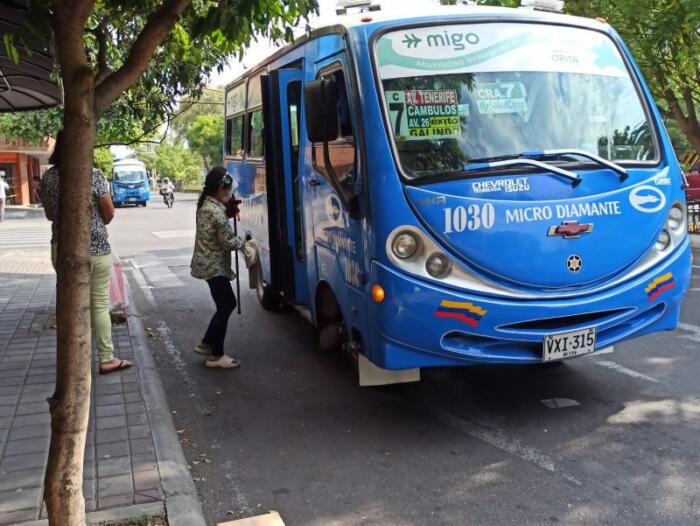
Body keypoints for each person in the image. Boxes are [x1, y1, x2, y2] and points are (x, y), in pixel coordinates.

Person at [40, 131, 132, 374]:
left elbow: (50, 214)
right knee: (99, 305)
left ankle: (72, 359)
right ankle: (106, 357)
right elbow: (109, 212)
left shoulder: (48, 178)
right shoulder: (93, 175)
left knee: (69, 304)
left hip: (61, 247)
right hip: (96, 248)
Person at [191, 167, 246, 369]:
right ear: (220, 188)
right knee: (227, 305)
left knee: (224, 304)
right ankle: (216, 355)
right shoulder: (215, 212)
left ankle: (206, 343)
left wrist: (227, 211)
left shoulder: (207, 205)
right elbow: (228, 241)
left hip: (207, 264)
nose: (230, 193)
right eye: (228, 189)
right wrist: (245, 243)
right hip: (213, 266)